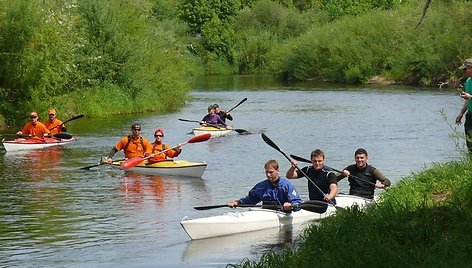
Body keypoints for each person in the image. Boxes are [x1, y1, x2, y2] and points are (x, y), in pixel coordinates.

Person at [227, 159, 303, 212]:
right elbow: (249, 200)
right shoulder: (261, 186)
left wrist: (291, 205)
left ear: (277, 171)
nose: (268, 175)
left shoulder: (287, 185)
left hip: (284, 213)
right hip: (266, 212)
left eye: (271, 172)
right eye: (266, 172)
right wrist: (237, 203)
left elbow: (298, 203)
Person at [455, 58, 472, 152]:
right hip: (470, 114)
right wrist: (461, 113)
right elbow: (468, 100)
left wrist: (470, 97)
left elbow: (469, 97)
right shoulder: (468, 81)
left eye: (465, 69)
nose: (464, 71)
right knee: (470, 142)